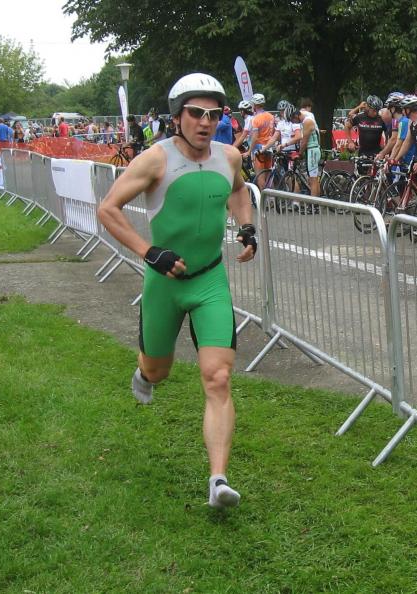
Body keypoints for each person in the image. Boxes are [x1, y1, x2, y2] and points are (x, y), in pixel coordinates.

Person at [98, 72, 256, 510]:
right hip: (164, 285)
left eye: (214, 114)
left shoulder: (229, 157)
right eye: (196, 113)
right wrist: (149, 252)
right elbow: (108, 209)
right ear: (177, 116)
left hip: (209, 280)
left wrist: (247, 227)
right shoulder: (155, 160)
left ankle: (218, 481)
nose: (205, 122)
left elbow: (240, 193)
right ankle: (145, 373)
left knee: (218, 377)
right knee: (158, 371)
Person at [243, 93, 275, 188]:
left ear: (255, 105)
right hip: (269, 147)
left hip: (258, 149)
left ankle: (263, 196)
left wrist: (249, 151)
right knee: (269, 177)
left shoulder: (255, 118)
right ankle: (272, 196)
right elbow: (273, 132)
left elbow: (255, 137)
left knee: (260, 177)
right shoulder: (271, 116)